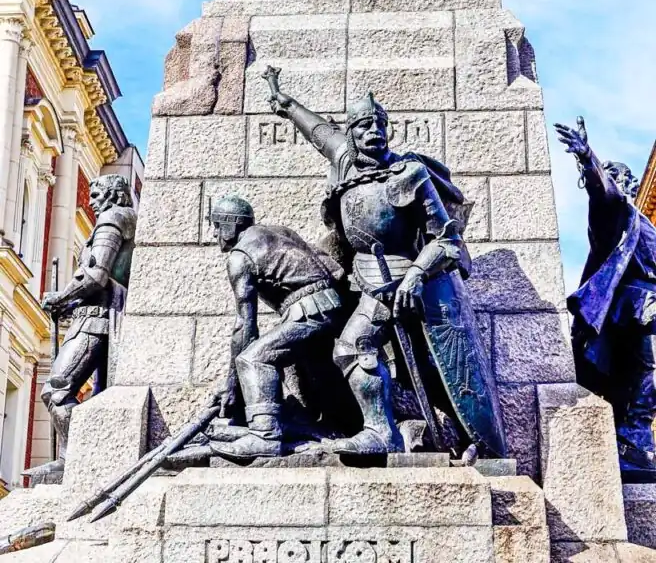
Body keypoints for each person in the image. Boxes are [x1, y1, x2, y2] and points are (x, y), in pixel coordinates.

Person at [265, 69, 506, 458]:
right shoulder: (345, 161)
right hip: (366, 279)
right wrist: (285, 101)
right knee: (350, 349)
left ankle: (476, 442)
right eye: (363, 127)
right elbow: (317, 130)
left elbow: (446, 239)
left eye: (379, 125)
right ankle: (381, 432)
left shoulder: (409, 173)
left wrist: (415, 274)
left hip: (414, 282)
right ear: (352, 134)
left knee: (432, 368)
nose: (373, 132)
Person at [206, 195, 346, 459]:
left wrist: (231, 385)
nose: (215, 233)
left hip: (308, 309)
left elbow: (245, 327)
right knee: (309, 367)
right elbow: (333, 267)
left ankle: (265, 434)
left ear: (231, 225)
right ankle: (328, 424)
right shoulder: (278, 232)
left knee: (254, 359)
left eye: (216, 225)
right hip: (331, 302)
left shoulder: (240, 257)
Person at [556, 117, 656, 479]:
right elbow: (603, 192)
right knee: (649, 371)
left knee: (646, 376)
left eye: (620, 175)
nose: (619, 181)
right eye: (612, 175)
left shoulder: (642, 222)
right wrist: (587, 158)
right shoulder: (613, 215)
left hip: (649, 306)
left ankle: (636, 439)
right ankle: (633, 439)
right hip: (637, 307)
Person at [28, 174, 136, 482]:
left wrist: (60, 297)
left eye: (96, 194)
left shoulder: (113, 219)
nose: (90, 201)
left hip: (95, 320)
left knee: (57, 389)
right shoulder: (127, 219)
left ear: (113, 195)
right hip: (100, 316)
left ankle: (78, 461)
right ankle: (76, 459)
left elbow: (96, 275)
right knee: (95, 395)